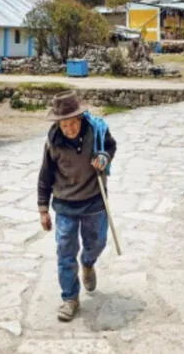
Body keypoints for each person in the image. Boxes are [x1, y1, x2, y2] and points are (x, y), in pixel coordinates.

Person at [37, 91, 117, 322]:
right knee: (65, 253)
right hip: (65, 205)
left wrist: (104, 156)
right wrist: (43, 209)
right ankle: (70, 298)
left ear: (81, 119)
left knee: (97, 243)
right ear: (58, 124)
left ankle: (88, 264)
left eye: (73, 123)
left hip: (94, 201)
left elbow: (111, 146)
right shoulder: (52, 141)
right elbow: (45, 176)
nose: (69, 129)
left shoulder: (97, 131)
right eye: (64, 124)